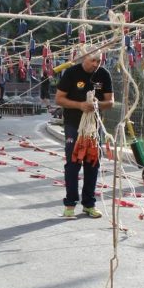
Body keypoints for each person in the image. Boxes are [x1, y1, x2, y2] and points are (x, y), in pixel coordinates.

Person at [55, 52, 114, 218]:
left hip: (94, 127)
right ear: (84, 59)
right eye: (92, 60)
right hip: (74, 125)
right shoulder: (72, 73)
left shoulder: (104, 74)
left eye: (99, 60)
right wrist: (80, 105)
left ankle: (89, 204)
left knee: (92, 163)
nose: (95, 64)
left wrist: (97, 104)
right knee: (73, 163)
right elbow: (59, 99)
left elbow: (110, 102)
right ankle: (70, 204)